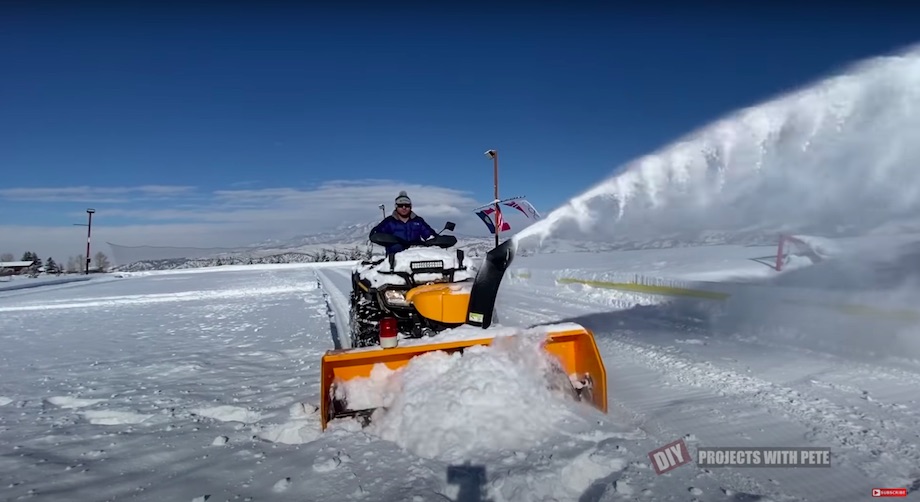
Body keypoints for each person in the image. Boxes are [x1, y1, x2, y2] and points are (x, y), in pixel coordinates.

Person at [369, 191, 436, 254]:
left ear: (410, 206)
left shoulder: (418, 221)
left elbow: (430, 235)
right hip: (396, 260)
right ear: (396, 206)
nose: (404, 208)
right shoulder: (389, 222)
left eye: (406, 205)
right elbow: (376, 234)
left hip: (416, 255)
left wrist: (437, 240)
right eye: (401, 205)